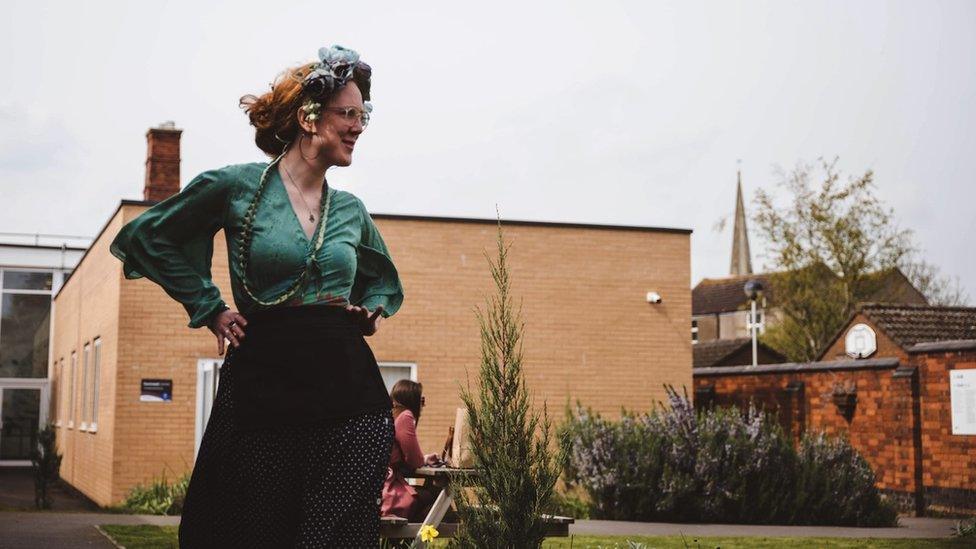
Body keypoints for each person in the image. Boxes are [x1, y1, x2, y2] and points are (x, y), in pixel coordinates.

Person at [109, 45, 403, 547]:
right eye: (348, 114)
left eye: (363, 115)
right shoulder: (237, 187)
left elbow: (382, 281)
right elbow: (150, 237)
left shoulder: (351, 210)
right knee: (246, 526)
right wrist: (210, 307)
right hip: (263, 381)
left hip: (348, 391)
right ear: (309, 117)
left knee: (334, 535)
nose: (359, 126)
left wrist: (367, 310)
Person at [381, 380, 442, 522]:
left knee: (433, 498)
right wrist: (423, 459)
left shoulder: (391, 416)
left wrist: (425, 459)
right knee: (438, 498)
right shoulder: (405, 416)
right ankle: (414, 541)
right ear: (412, 399)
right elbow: (414, 460)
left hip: (382, 489)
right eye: (421, 400)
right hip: (389, 492)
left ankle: (405, 542)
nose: (422, 405)